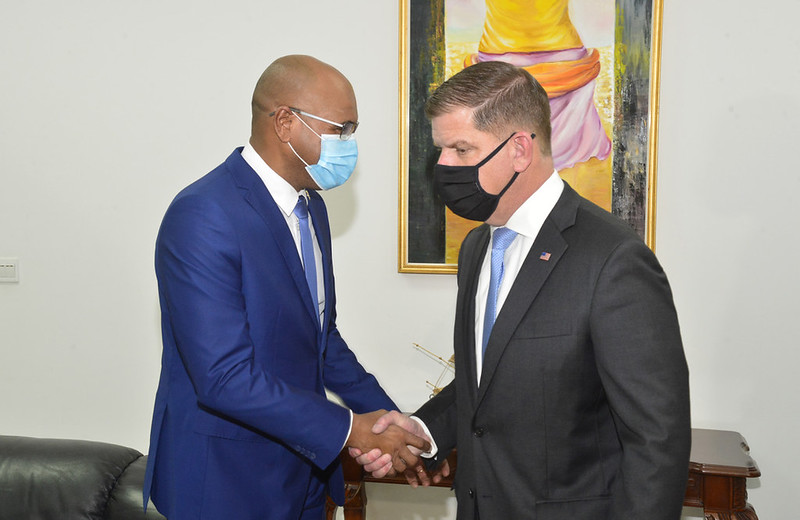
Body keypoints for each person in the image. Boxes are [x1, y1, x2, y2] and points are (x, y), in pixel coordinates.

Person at [355, 61, 691, 519]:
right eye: (441, 149)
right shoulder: (477, 247)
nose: (443, 166)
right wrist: (421, 430)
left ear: (518, 150)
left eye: (460, 149)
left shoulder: (613, 260)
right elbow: (487, 383)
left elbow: (657, 439)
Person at [142, 55, 428, 520]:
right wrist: (352, 429)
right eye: (342, 129)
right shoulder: (203, 215)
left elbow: (322, 340)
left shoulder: (311, 208)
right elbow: (223, 378)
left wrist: (394, 421)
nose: (349, 145)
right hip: (225, 481)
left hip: (305, 474)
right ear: (285, 122)